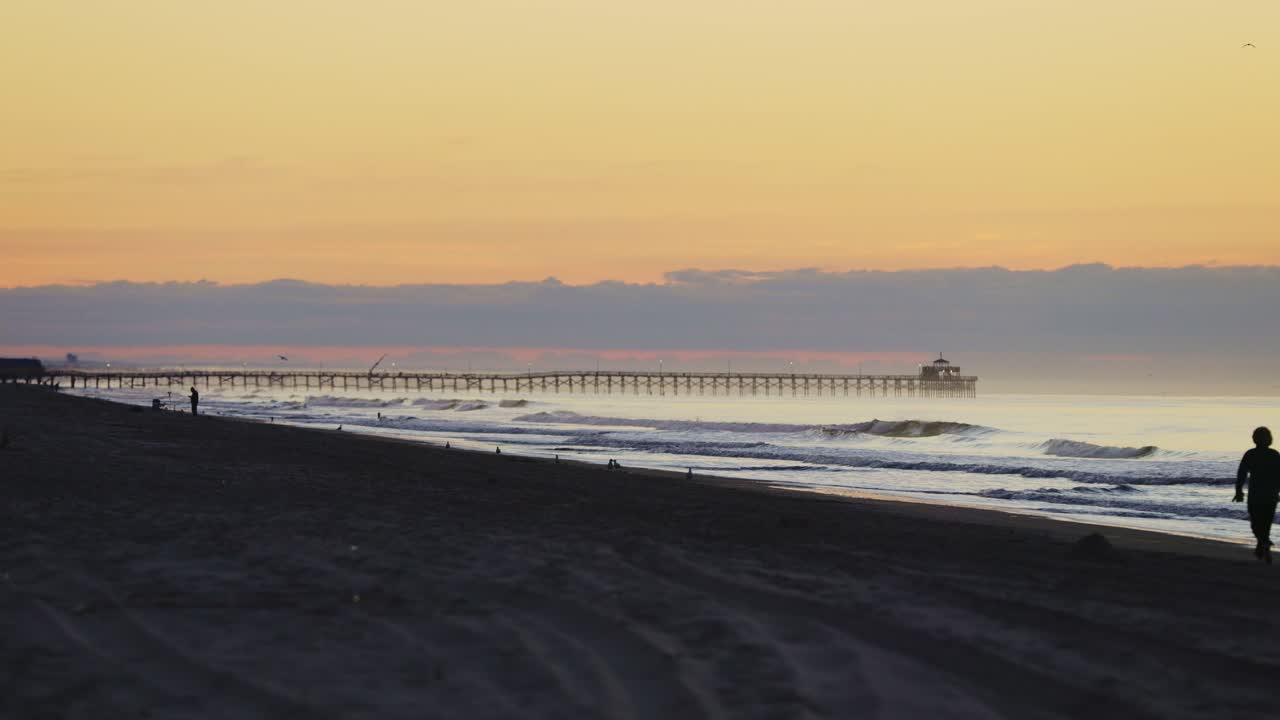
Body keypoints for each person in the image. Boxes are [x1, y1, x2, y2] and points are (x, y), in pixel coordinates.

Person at [1234, 426, 1280, 563]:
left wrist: (1239, 491)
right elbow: (1242, 473)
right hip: (1267, 494)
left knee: (1257, 523)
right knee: (1263, 523)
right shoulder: (1271, 454)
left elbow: (1241, 473)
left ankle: (1263, 544)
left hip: (1259, 494)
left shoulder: (1254, 454)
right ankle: (1264, 543)